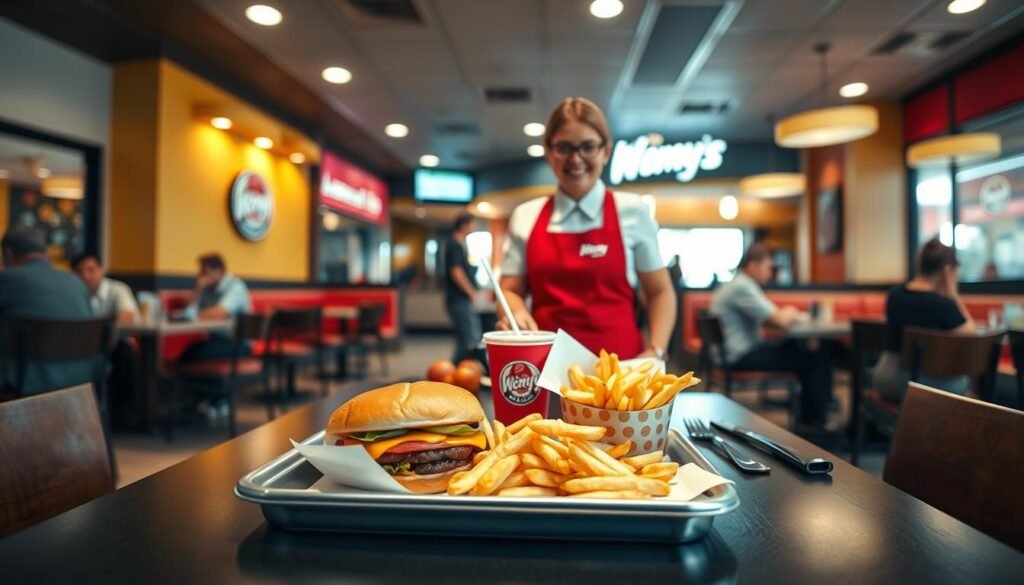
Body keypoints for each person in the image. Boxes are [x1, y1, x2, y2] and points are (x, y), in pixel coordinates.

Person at [498, 97, 676, 360]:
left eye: (588, 147)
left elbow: (659, 292)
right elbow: (510, 290)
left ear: (606, 151)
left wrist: (656, 350)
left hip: (619, 373)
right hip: (546, 368)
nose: (576, 158)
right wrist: (516, 313)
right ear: (549, 152)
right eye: (564, 147)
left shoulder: (634, 212)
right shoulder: (526, 216)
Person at [710, 243, 832, 428]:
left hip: (731, 354)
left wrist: (783, 315)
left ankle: (810, 414)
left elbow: (770, 320)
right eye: (768, 268)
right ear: (752, 266)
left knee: (798, 350)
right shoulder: (743, 286)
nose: (770, 273)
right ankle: (814, 424)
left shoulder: (735, 285)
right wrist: (791, 310)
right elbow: (780, 320)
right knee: (814, 359)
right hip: (740, 356)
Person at [873, 239, 975, 401]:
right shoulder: (943, 306)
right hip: (925, 388)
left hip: (887, 380)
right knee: (963, 382)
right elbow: (971, 333)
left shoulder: (894, 295)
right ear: (947, 272)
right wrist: (953, 295)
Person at [0, 227, 94, 395]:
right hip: (79, 385)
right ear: (46, 251)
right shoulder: (77, 283)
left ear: (8, 253)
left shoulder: (6, 280)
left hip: (24, 387)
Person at [178, 253, 252, 363]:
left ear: (219, 271)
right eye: (200, 272)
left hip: (239, 344)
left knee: (193, 356)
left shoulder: (235, 286)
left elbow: (220, 313)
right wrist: (197, 289)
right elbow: (187, 308)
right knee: (187, 354)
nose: (201, 276)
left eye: (204, 272)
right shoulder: (206, 287)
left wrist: (191, 315)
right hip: (216, 340)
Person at [444, 213, 482, 363]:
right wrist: (471, 292)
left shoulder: (458, 245)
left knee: (464, 338)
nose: (473, 228)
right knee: (470, 338)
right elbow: (457, 273)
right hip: (458, 300)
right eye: (472, 224)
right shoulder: (454, 245)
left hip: (458, 300)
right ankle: (456, 374)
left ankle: (457, 373)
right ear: (464, 225)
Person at [72, 252, 140, 324]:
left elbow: (127, 317)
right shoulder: (73, 293)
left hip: (117, 335)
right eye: (79, 272)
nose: (85, 276)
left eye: (91, 270)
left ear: (102, 270)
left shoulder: (118, 289)